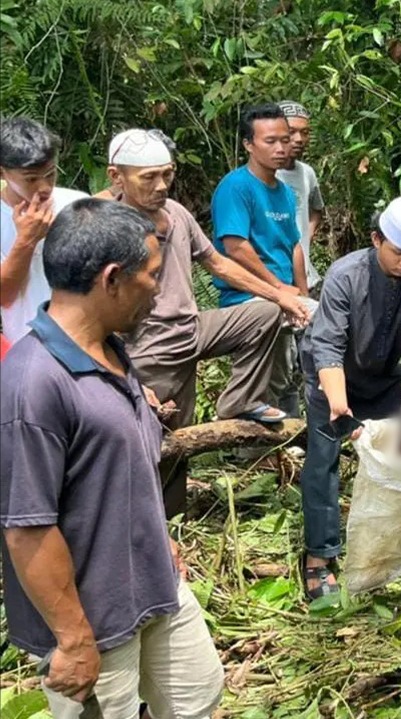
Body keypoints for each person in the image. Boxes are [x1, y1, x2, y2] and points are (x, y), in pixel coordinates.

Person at [1, 199, 223, 717]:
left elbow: (119, 469)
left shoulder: (112, 351)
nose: (158, 289)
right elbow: (26, 528)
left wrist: (159, 538)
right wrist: (74, 639)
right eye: (151, 275)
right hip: (93, 619)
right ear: (112, 279)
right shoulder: (34, 385)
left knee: (198, 696)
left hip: (153, 586)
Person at [298, 196, 401, 599]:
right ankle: (319, 556)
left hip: (384, 382)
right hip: (332, 380)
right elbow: (327, 346)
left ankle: (399, 550)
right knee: (322, 463)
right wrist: (338, 405)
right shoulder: (345, 275)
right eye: (398, 252)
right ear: (376, 240)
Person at [106, 128, 311, 428]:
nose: (162, 186)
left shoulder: (176, 213)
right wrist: (122, 371)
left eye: (167, 174)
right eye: (149, 177)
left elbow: (218, 264)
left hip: (191, 328)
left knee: (266, 313)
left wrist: (280, 295)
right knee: (167, 438)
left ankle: (242, 400)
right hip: (149, 346)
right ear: (116, 176)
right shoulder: (107, 227)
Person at [210, 103, 306, 415]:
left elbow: (293, 245)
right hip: (250, 298)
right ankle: (248, 454)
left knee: (290, 373)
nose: (281, 147)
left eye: (285, 138)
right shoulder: (236, 187)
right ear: (249, 144)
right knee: (263, 381)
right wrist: (278, 288)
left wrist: (301, 293)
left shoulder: (285, 192)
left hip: (285, 296)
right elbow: (236, 247)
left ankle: (288, 446)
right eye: (270, 141)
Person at [1, 117, 88, 343]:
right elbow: (4, 296)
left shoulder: (77, 205)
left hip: (86, 340)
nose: (45, 187)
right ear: (3, 173)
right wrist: (26, 240)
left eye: (50, 174)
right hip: (27, 346)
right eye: (31, 179)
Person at [276, 100, 326, 296]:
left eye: (305, 133)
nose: (299, 139)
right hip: (278, 283)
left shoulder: (307, 173)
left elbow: (316, 209)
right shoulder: (266, 176)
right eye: (291, 131)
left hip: (308, 278)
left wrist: (306, 236)